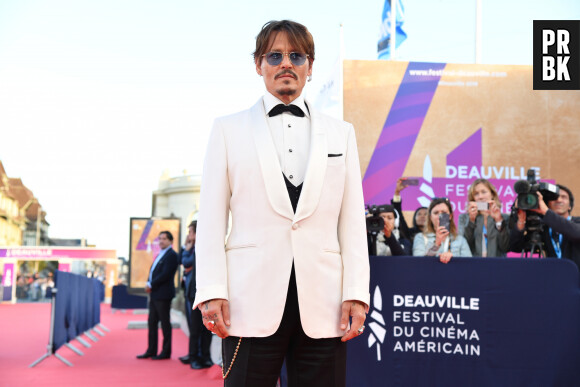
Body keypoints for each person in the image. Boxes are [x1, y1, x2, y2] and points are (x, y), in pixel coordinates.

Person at [193, 20, 370, 387]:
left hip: (325, 303)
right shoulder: (227, 130)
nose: (285, 63)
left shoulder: (343, 133)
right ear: (258, 64)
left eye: (296, 55)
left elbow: (351, 221)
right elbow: (210, 219)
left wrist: (356, 292)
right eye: (275, 55)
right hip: (247, 299)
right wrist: (211, 291)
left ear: (310, 66)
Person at [510, 184, 580, 266]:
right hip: (553, 276)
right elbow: (515, 247)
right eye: (555, 198)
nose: (559, 200)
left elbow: (576, 233)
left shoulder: (577, 222)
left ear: (569, 206)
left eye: (564, 197)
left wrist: (546, 212)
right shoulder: (544, 228)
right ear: (548, 204)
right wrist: (521, 220)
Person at [137, 231, 179, 360]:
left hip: (163, 294)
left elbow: (166, 274)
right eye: (160, 238)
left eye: (164, 239)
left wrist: (151, 284)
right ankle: (151, 350)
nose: (161, 241)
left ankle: (166, 352)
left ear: (171, 241)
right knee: (152, 323)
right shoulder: (160, 254)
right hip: (155, 294)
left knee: (165, 324)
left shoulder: (172, 255)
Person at [179, 221, 213, 369]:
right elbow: (185, 262)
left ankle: (205, 357)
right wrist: (187, 247)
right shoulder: (193, 248)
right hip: (193, 293)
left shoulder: (206, 245)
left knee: (207, 328)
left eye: (191, 232)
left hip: (208, 291)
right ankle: (194, 357)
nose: (189, 235)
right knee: (195, 328)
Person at [458, 179, 510, 257]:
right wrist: (471, 221)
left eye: (484, 192)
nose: (480, 197)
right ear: (473, 198)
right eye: (476, 194)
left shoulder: (504, 218)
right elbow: (463, 246)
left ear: (492, 194)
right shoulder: (464, 218)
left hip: (498, 265)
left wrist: (498, 221)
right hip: (473, 265)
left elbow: (505, 247)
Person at [413, 197, 472, 263]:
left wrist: (454, 260)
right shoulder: (420, 237)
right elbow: (418, 263)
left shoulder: (460, 240)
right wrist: (436, 244)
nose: (440, 216)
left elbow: (468, 264)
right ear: (430, 217)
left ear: (450, 216)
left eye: (443, 212)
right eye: (436, 213)